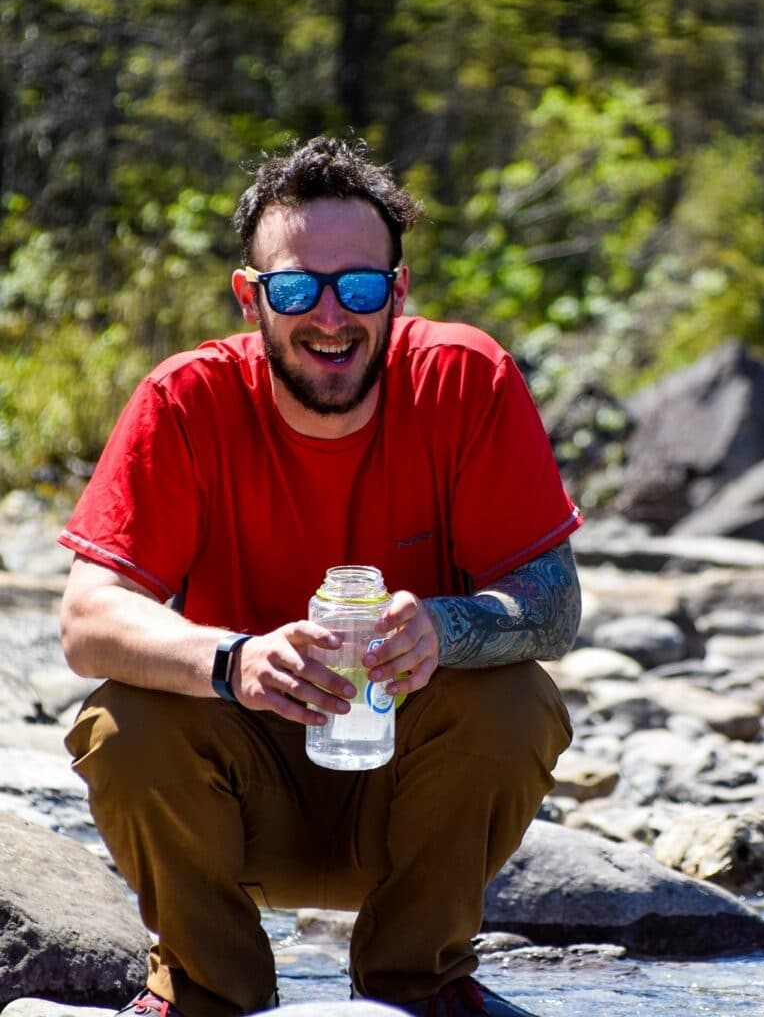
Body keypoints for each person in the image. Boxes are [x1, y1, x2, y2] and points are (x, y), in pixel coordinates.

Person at [59, 135, 582, 1017]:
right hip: (238, 799)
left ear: (399, 291)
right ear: (251, 295)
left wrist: (446, 629)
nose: (331, 316)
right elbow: (86, 620)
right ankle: (204, 990)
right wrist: (235, 662)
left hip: (409, 796)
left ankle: (418, 985)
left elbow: (554, 603)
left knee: (516, 700)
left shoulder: (465, 380)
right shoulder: (185, 400)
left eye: (361, 286)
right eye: (298, 287)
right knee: (123, 721)